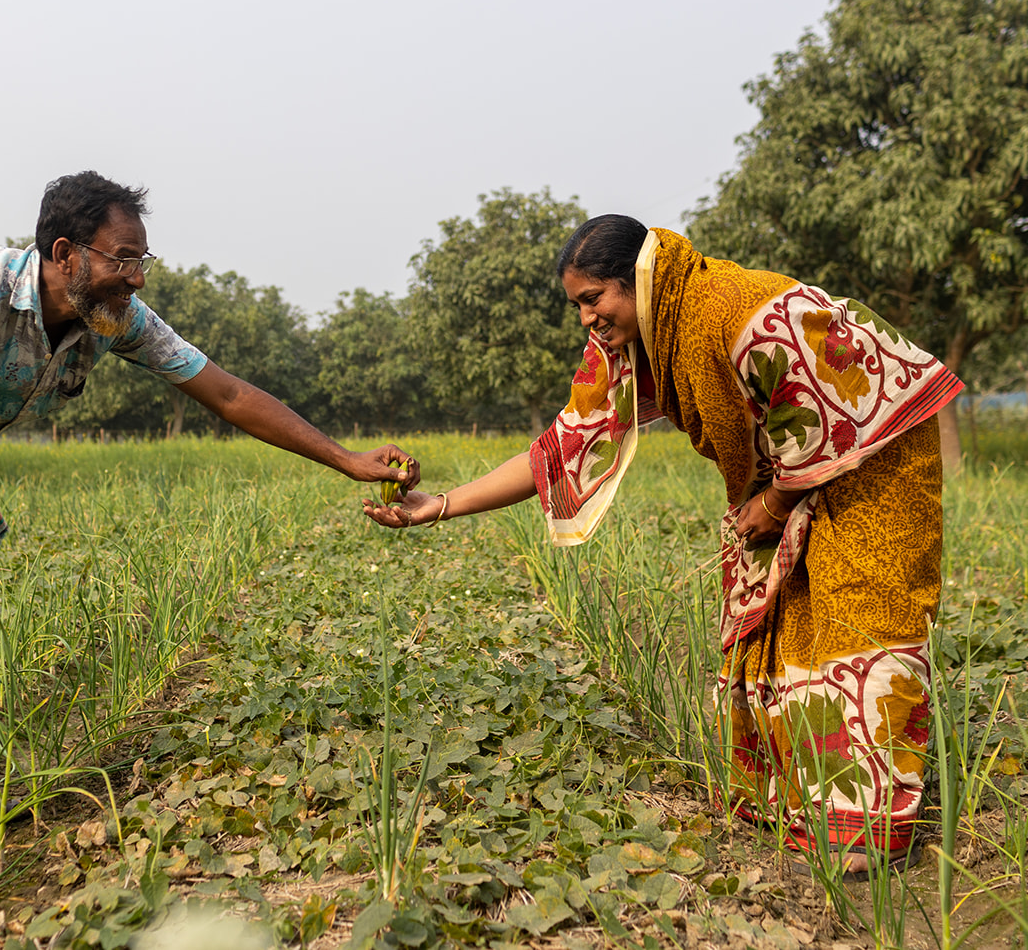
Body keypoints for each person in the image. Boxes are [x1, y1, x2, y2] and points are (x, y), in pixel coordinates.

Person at [0, 171, 415, 879]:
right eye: (121, 259)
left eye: (142, 261)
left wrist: (345, 458)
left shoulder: (108, 318)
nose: (134, 279)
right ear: (65, 253)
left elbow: (227, 392)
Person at [364, 215, 960, 875]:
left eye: (595, 298)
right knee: (790, 615)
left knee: (860, 618)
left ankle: (873, 834)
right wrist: (439, 505)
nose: (587, 318)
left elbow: (827, 405)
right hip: (791, 466)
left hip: (876, 448)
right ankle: (814, 804)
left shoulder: (741, 310)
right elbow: (563, 445)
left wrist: (777, 499)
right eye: (578, 305)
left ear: (637, 280)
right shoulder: (638, 337)